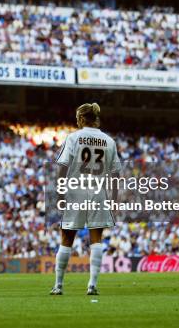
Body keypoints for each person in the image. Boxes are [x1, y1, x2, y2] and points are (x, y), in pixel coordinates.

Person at [50, 103, 121, 296]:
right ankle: (92, 285)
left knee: (66, 239)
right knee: (96, 239)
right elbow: (115, 174)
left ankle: (58, 285)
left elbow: (63, 167)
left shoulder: (73, 138)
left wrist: (60, 193)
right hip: (98, 193)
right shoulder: (109, 141)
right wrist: (114, 199)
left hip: (75, 192)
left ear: (81, 119)